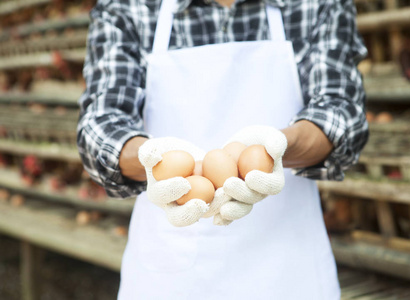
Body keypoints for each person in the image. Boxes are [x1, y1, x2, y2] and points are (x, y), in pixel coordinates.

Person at [77, 0, 369, 298]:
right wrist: (152, 161)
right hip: (170, 274)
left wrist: (276, 149)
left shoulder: (317, 5)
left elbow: (342, 113)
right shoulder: (128, 8)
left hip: (289, 269)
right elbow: (100, 125)